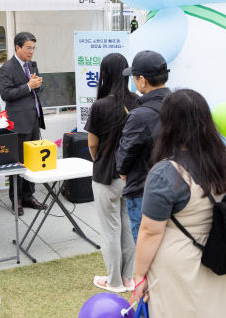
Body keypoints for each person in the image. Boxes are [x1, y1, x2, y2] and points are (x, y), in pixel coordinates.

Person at [130, 89, 226, 317]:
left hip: (176, 264)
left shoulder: (166, 171)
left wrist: (139, 276)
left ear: (168, 125)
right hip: (219, 255)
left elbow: (150, 232)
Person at [85, 53, 140, 293]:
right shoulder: (137, 101)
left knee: (110, 229)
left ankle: (114, 281)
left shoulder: (100, 106)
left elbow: (92, 145)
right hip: (131, 175)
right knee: (127, 226)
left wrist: (99, 161)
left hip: (106, 175)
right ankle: (127, 278)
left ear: (104, 74)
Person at [115, 50, 170, 241]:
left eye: (134, 77)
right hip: (176, 187)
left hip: (143, 190)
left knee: (146, 246)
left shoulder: (140, 115)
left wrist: (122, 170)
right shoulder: (181, 103)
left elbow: (125, 153)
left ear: (143, 81)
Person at [0, 32, 48, 216]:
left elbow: (39, 87)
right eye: (28, 48)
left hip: (34, 118)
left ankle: (29, 196)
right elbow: (6, 94)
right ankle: (16, 199)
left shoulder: (32, 65)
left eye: (34, 48)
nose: (32, 51)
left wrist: (37, 84)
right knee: (18, 162)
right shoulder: (7, 68)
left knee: (33, 160)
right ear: (17, 47)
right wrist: (28, 86)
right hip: (18, 121)